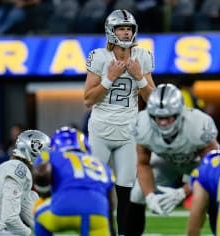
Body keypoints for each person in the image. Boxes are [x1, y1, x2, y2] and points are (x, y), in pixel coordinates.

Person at [83, 9, 155, 235]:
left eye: (129, 28)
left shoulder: (142, 56)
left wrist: (140, 78)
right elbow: (88, 99)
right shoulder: (99, 56)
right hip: (100, 131)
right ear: (110, 31)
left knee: (126, 190)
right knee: (98, 188)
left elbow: (154, 101)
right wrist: (109, 79)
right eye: (121, 28)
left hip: (128, 132)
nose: (126, 33)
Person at [125, 83, 220, 235]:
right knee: (137, 192)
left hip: (196, 164)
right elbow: (142, 164)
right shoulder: (141, 124)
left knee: (215, 192)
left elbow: (212, 168)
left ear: (179, 113)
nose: (162, 123)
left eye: (168, 117)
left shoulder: (198, 124)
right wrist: (149, 195)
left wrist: (183, 192)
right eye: (158, 117)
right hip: (166, 161)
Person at [32, 126, 116, 236]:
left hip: (64, 211)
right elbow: (111, 205)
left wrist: (47, 193)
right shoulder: (101, 164)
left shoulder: (50, 156)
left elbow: (41, 175)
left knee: (38, 205)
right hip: (98, 215)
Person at [0, 129, 51, 236]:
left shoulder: (16, 167)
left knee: (32, 195)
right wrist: (28, 234)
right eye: (44, 151)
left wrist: (45, 231)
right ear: (33, 150)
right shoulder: (19, 170)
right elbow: (10, 218)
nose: (46, 157)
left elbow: (31, 213)